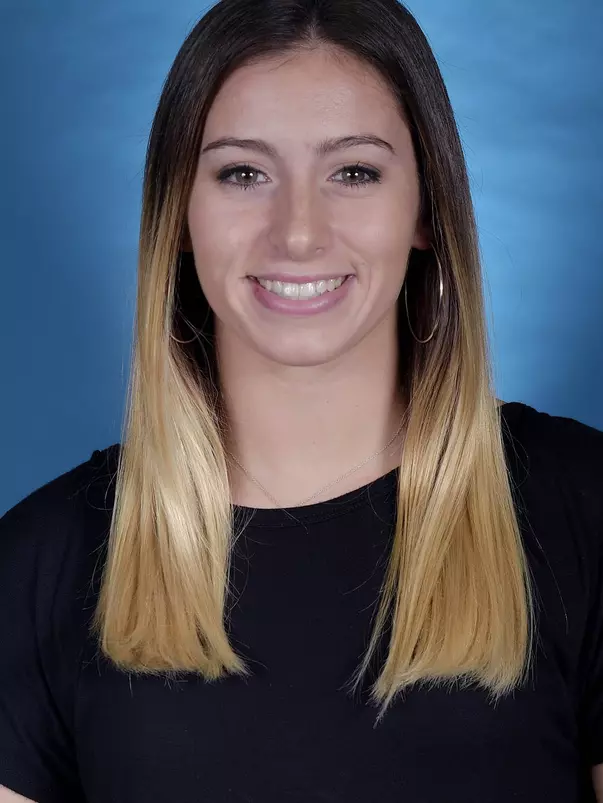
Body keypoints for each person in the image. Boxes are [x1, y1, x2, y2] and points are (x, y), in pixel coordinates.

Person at [1, 0, 602, 800]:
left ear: (424, 206)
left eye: (353, 171)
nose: (297, 234)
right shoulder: (42, 561)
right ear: (180, 211)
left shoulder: (583, 508)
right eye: (242, 173)